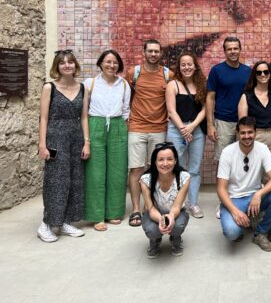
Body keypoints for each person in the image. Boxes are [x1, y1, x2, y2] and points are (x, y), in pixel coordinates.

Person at [37, 49, 90, 242]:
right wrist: (42, 144)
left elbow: (84, 117)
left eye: (70, 62)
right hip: (55, 138)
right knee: (55, 181)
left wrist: (87, 142)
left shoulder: (83, 88)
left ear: (75, 65)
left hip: (76, 138)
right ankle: (46, 224)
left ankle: (66, 221)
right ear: (57, 67)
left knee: (75, 180)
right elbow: (43, 118)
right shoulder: (49, 87)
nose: (67, 65)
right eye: (62, 62)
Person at [216, 117, 271, 252]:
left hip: (254, 197)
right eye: (243, 133)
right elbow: (221, 189)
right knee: (232, 233)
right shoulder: (227, 152)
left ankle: (260, 233)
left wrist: (259, 194)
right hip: (234, 199)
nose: (246, 136)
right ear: (237, 133)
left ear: (255, 133)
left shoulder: (262, 149)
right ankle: (242, 221)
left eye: (250, 132)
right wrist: (235, 211)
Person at [125, 39, 173, 228]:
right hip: (136, 127)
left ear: (161, 53)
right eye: (150, 51)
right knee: (136, 169)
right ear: (144, 52)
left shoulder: (168, 74)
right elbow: (126, 96)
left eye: (156, 51)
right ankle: (136, 209)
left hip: (159, 128)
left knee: (156, 168)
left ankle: (150, 206)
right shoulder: (134, 73)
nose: (153, 54)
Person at [83, 49, 130, 232]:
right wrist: (86, 137)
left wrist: (122, 126)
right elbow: (84, 111)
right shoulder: (90, 83)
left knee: (118, 171)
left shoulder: (124, 84)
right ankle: (97, 216)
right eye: (108, 62)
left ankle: (113, 212)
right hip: (96, 124)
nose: (112, 65)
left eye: (115, 62)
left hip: (118, 125)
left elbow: (126, 109)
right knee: (95, 172)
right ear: (100, 64)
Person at [206, 36, 251, 218]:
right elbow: (210, 98)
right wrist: (210, 124)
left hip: (243, 124)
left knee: (242, 162)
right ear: (224, 51)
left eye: (235, 48)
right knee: (223, 163)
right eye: (229, 49)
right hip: (223, 122)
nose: (233, 51)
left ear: (240, 50)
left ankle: (239, 198)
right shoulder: (217, 71)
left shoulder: (248, 71)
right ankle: (223, 202)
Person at [166, 52, 207, 219]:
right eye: (183, 64)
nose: (187, 67)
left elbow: (205, 109)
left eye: (190, 64)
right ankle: (179, 203)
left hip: (196, 130)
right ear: (179, 67)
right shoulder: (173, 85)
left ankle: (193, 203)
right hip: (177, 130)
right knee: (177, 167)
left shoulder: (202, 85)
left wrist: (192, 126)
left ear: (195, 66)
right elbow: (171, 110)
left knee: (194, 169)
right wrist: (184, 129)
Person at [140, 142, 190, 258]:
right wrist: (161, 220)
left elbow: (177, 207)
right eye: (161, 160)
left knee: (177, 226)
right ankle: (155, 241)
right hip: (154, 212)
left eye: (169, 159)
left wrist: (171, 217)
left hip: (176, 212)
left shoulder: (184, 177)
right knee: (152, 230)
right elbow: (150, 208)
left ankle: (176, 238)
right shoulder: (145, 179)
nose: (165, 163)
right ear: (155, 162)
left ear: (175, 160)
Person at [238, 61, 271, 171]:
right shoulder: (246, 96)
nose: (263, 74)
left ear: (269, 74)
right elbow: (242, 123)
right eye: (259, 72)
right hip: (256, 137)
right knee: (255, 174)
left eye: (266, 72)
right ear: (255, 75)